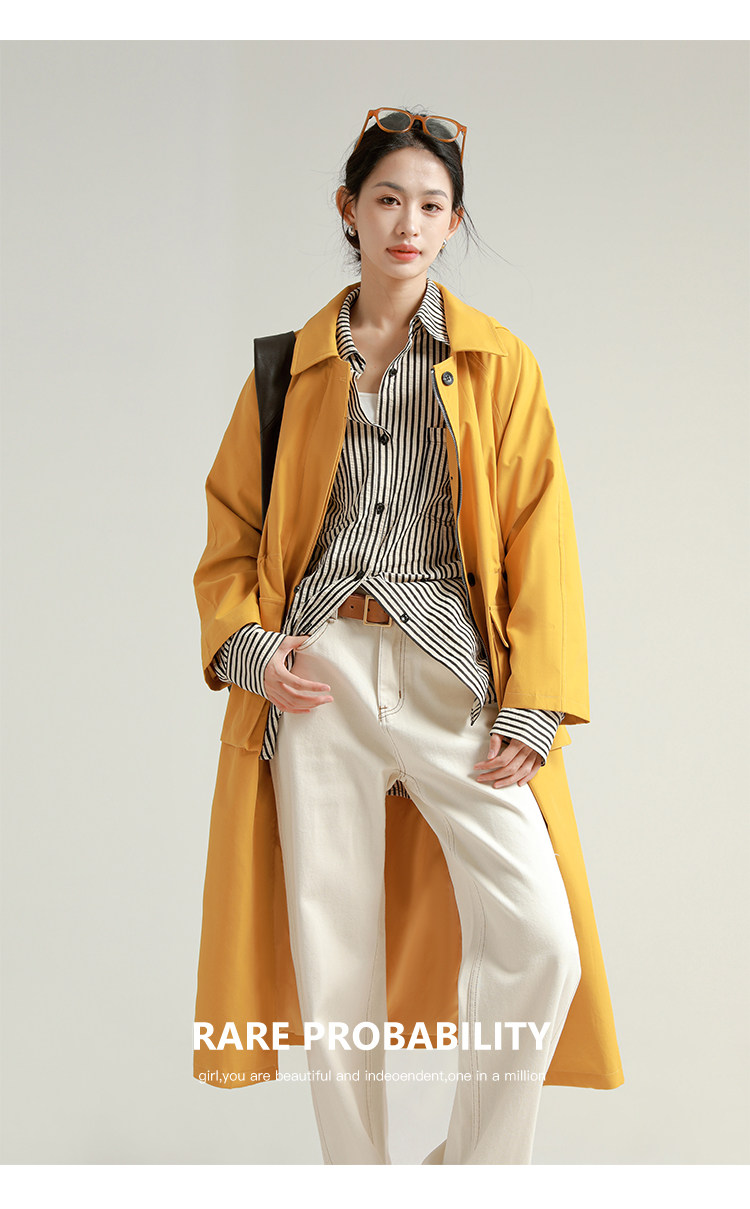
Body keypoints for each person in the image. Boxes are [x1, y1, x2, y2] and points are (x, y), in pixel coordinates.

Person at [193, 106, 622, 1165]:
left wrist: (535, 700)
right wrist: (252, 649)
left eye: (431, 205)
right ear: (350, 209)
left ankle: (467, 1177)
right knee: (333, 955)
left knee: (541, 941)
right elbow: (232, 529)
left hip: (448, 674)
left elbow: (540, 535)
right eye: (388, 199)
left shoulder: (498, 363)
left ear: (453, 221)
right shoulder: (287, 369)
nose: (408, 223)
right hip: (320, 673)